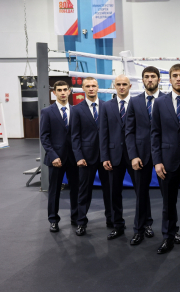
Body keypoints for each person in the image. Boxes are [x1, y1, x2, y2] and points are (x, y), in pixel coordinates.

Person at [151, 64, 180, 255]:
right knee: (168, 204)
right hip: (167, 161)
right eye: (175, 75)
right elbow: (155, 133)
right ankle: (168, 237)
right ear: (169, 79)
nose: (179, 78)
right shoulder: (159, 103)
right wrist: (157, 161)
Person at [125, 66, 166, 245]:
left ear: (158, 79)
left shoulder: (167, 100)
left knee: (168, 196)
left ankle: (171, 231)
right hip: (140, 156)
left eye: (153, 76)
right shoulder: (134, 102)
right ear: (142, 80)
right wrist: (133, 156)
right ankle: (139, 230)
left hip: (163, 155)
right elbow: (129, 131)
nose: (150, 79)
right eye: (147, 76)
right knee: (141, 195)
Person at [71, 77, 112, 236]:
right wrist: (78, 156)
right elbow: (75, 136)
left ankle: (111, 219)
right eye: (88, 86)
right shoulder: (76, 109)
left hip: (105, 156)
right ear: (83, 88)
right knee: (84, 192)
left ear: (98, 87)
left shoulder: (107, 106)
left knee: (109, 191)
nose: (91, 88)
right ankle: (81, 222)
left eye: (93, 86)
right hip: (86, 158)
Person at [39, 80, 79, 232]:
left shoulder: (76, 111)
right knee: (54, 190)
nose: (62, 92)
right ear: (54, 92)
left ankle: (76, 217)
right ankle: (53, 220)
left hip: (74, 158)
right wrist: (53, 156)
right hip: (55, 158)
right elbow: (44, 136)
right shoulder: (47, 112)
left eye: (65, 89)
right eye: (59, 90)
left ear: (69, 91)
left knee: (75, 189)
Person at [100, 75, 135, 240]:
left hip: (134, 155)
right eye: (118, 84)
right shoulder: (107, 106)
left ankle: (145, 224)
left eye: (124, 84)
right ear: (114, 86)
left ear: (130, 86)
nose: (121, 87)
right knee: (114, 193)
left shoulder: (137, 104)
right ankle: (117, 225)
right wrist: (104, 156)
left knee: (141, 192)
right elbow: (103, 133)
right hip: (114, 156)